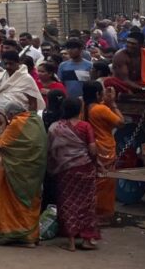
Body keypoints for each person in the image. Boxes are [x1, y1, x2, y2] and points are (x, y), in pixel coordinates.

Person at [0, 96, 47, 246]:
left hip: (17, 171)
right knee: (31, 202)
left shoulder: (17, 123)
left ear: (10, 114)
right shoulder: (36, 120)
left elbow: (1, 144)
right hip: (35, 171)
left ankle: (22, 235)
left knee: (15, 202)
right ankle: (31, 235)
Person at [48, 96, 101, 252]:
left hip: (64, 171)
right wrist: (97, 163)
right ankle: (86, 238)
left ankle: (70, 241)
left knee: (67, 202)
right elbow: (92, 149)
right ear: (80, 110)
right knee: (87, 204)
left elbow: (51, 150)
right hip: (85, 169)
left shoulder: (55, 127)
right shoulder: (85, 126)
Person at [83, 80, 123, 224]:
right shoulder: (100, 109)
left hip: (89, 146)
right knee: (105, 182)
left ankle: (90, 211)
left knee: (93, 181)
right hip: (104, 147)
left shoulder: (83, 106)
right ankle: (102, 214)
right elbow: (120, 122)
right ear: (97, 94)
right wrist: (112, 104)